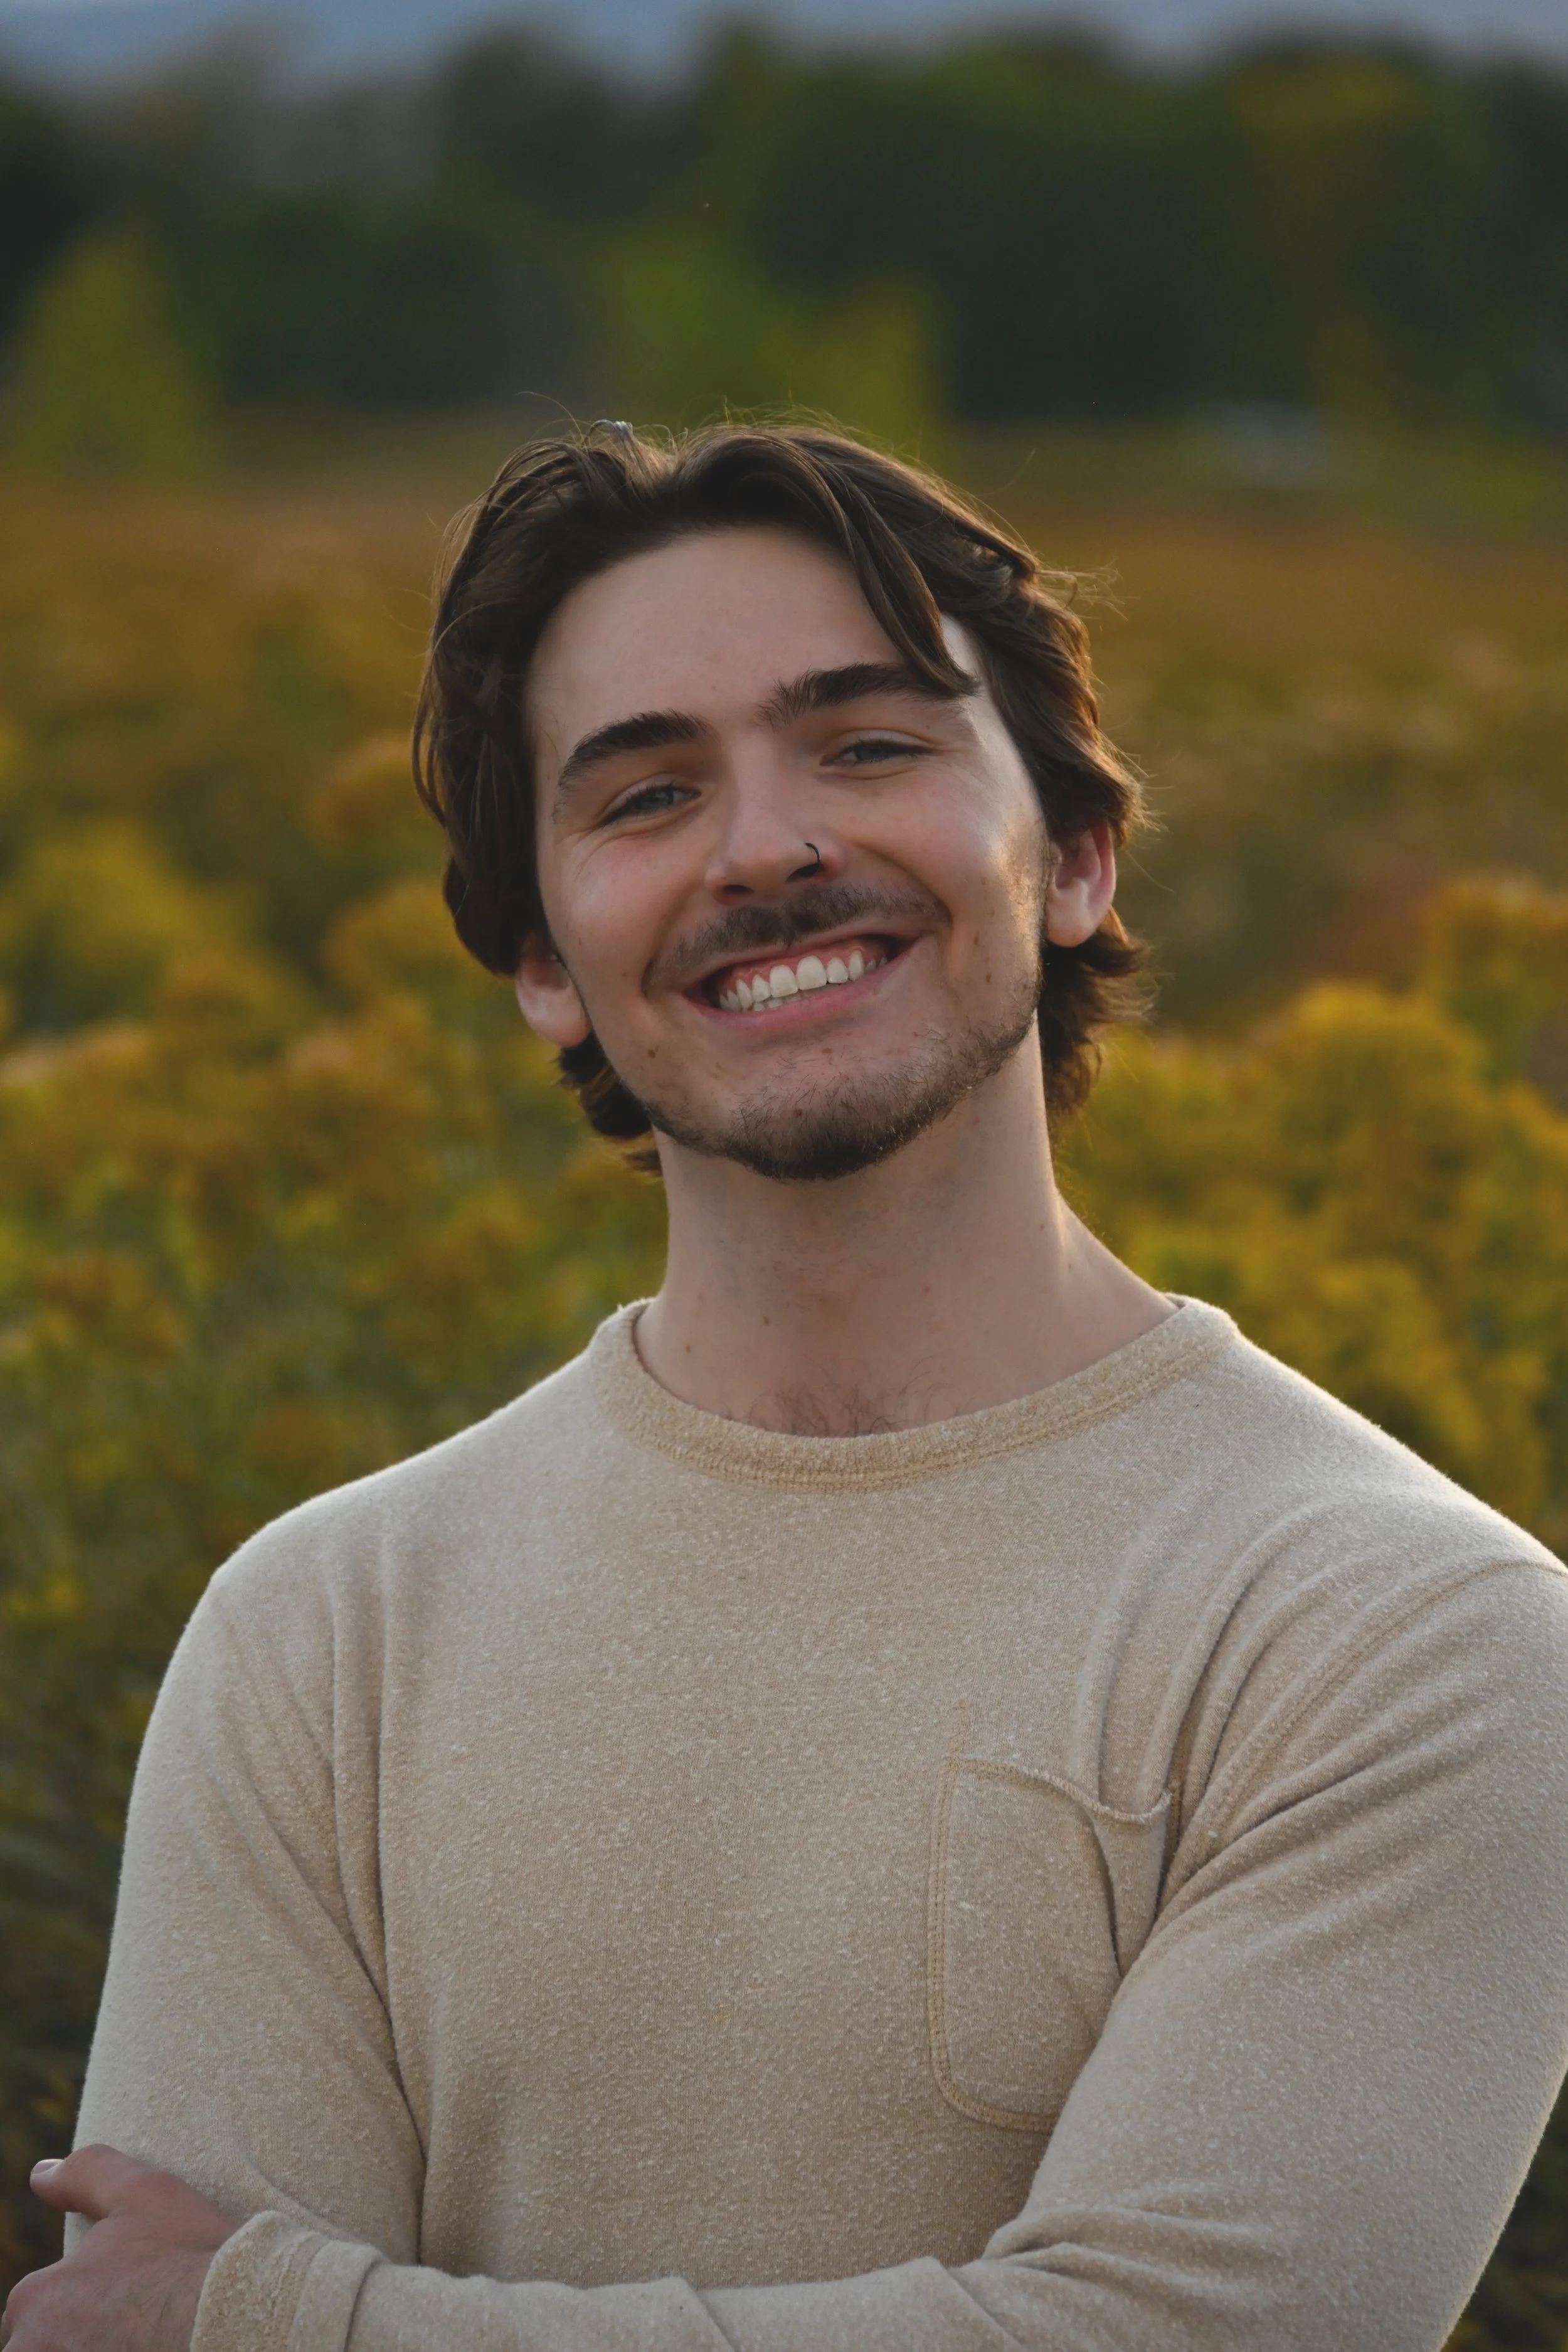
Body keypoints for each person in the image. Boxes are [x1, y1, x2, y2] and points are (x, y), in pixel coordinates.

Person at [8, 423, 1568, 2352]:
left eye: (869, 743)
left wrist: (277, 2320)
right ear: (543, 964)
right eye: (646, 793)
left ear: (1073, 854)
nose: (766, 847)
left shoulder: (1406, 1629)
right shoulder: (320, 1634)